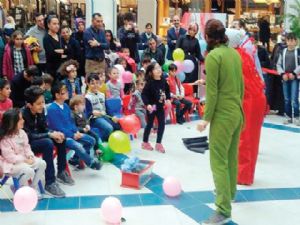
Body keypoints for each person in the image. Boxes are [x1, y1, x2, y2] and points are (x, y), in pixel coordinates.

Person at [197, 19, 244, 225]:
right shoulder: (234, 53)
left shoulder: (213, 56)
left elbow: (213, 92)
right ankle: (230, 192)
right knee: (231, 156)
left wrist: (206, 119)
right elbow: (240, 86)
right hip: (237, 112)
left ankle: (223, 209)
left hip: (223, 116)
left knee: (218, 161)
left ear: (207, 37)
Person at [226, 28, 266, 186]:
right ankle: (245, 174)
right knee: (250, 139)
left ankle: (243, 176)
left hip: (249, 100)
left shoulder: (236, 56)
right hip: (256, 99)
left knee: (244, 138)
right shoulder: (243, 53)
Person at [22, 86, 71, 197]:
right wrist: (49, 134)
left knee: (60, 138)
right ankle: (50, 182)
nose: (42, 105)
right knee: (47, 143)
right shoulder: (23, 115)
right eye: (39, 103)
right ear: (29, 105)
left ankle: (61, 171)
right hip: (27, 145)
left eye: (43, 102)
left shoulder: (41, 111)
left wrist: (54, 133)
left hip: (39, 138)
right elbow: (28, 137)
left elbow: (44, 128)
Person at [47, 82, 101, 170]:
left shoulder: (65, 106)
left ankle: (75, 159)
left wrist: (76, 131)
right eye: (64, 92)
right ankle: (91, 163)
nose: (68, 93)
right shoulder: (52, 109)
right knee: (78, 146)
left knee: (92, 140)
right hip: (61, 137)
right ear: (57, 95)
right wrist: (72, 135)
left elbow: (71, 122)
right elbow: (58, 128)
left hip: (71, 133)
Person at [0, 108, 46, 193]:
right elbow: (10, 158)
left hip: (24, 160)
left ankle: (33, 187)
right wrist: (25, 160)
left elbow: (27, 147)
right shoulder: (5, 139)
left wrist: (30, 155)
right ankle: (15, 187)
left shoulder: (22, 133)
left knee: (42, 163)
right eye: (20, 119)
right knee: (29, 171)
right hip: (11, 164)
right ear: (12, 123)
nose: (23, 120)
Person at [141, 63, 171, 153]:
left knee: (162, 124)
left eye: (159, 67)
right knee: (150, 124)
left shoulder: (163, 81)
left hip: (160, 106)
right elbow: (144, 94)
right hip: (152, 107)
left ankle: (158, 143)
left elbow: (167, 90)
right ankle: (145, 142)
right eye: (155, 68)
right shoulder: (150, 83)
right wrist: (147, 104)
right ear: (151, 72)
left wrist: (168, 99)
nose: (158, 70)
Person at [85, 74, 118, 141]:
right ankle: (103, 142)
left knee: (117, 125)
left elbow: (107, 108)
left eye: (97, 83)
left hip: (104, 116)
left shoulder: (102, 95)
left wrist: (113, 116)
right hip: (95, 119)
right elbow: (87, 114)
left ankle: (113, 142)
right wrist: (92, 112)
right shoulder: (87, 97)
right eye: (92, 83)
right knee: (109, 128)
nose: (95, 85)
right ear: (88, 84)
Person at [276, 33, 300, 126]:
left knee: (294, 98)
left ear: (295, 41)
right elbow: (278, 64)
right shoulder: (283, 51)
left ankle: (297, 116)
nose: (290, 42)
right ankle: (288, 116)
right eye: (288, 40)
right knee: (286, 98)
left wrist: (294, 73)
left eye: (292, 40)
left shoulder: (298, 51)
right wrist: (282, 74)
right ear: (286, 41)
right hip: (285, 77)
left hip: (294, 77)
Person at [43, 16, 66, 81]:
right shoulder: (46, 38)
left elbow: (67, 50)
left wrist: (60, 51)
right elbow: (51, 53)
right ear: (48, 25)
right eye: (54, 24)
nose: (57, 26)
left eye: (58, 24)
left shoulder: (60, 37)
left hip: (62, 68)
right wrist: (62, 53)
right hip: (52, 69)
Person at [270, 34, 286, 115]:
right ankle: (275, 107)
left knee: (282, 92)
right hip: (275, 72)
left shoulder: (286, 48)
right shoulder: (277, 46)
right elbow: (273, 57)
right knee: (275, 90)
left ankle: (282, 109)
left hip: (283, 73)